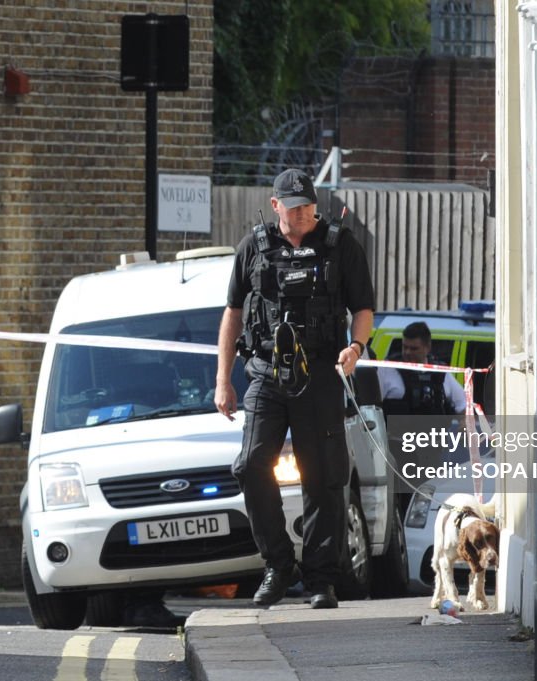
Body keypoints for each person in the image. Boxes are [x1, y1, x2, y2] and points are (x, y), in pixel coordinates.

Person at [214, 168, 375, 610]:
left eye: (308, 205)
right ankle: (278, 565)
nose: (303, 213)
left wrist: (356, 347)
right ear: (276, 206)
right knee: (250, 465)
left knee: (323, 476)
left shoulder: (341, 246)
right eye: (294, 206)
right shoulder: (254, 247)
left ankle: (321, 578)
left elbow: (363, 307)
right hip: (266, 372)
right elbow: (231, 313)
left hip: (321, 372)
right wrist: (222, 380)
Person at [377, 321, 466, 416]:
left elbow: (464, 405)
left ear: (427, 347)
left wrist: (465, 421)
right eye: (405, 347)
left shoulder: (440, 373)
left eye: (414, 349)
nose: (407, 352)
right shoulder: (387, 370)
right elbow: (371, 407)